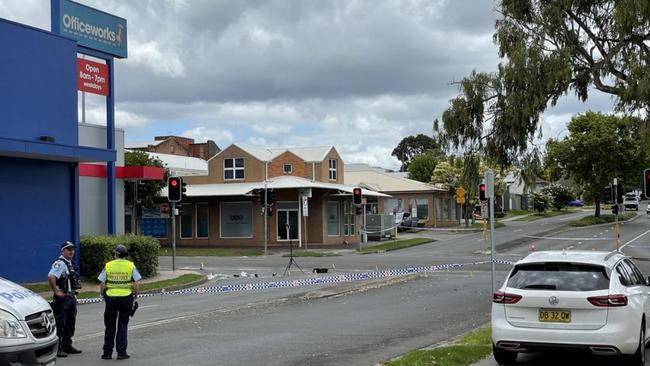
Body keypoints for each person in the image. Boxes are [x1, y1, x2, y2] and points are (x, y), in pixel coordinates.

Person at [98, 245, 141, 360]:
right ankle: (121, 353)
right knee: (122, 325)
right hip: (126, 298)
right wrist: (135, 296)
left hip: (111, 298)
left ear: (116, 254)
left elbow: (102, 283)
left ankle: (107, 353)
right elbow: (136, 283)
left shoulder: (108, 265)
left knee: (110, 325)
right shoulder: (130, 265)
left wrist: (103, 295)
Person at [48, 241, 83, 358]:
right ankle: (58, 348)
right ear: (63, 251)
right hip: (63, 299)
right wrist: (56, 291)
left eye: (73, 249)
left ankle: (68, 345)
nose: (72, 251)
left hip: (71, 296)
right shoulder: (60, 263)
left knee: (70, 323)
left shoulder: (70, 263)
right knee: (60, 323)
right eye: (69, 249)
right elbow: (51, 276)